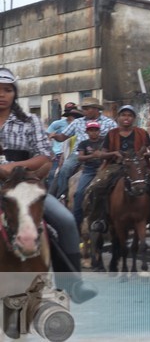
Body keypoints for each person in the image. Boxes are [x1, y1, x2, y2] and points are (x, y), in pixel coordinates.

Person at [0, 67, 96, 303]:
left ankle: (72, 284)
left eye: (7, 90)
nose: (2, 95)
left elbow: (44, 156)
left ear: (15, 94)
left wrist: (11, 168)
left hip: (22, 186)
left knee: (64, 220)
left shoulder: (29, 121)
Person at [83, 105, 150, 233]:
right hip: (116, 166)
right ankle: (98, 219)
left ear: (134, 118)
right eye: (123, 115)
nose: (126, 118)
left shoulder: (142, 133)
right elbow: (101, 154)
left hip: (137, 167)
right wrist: (113, 153)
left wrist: (145, 155)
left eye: (129, 115)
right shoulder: (111, 134)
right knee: (96, 187)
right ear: (118, 118)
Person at [49, 97, 117, 201]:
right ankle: (62, 196)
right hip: (78, 154)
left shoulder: (110, 123)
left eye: (86, 108)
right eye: (83, 108)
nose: (84, 111)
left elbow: (115, 139)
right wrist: (55, 136)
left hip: (102, 155)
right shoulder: (77, 122)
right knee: (65, 169)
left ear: (95, 109)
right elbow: (63, 137)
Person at [71, 121, 104, 231]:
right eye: (91, 130)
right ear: (87, 132)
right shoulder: (83, 144)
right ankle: (77, 221)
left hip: (103, 168)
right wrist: (91, 156)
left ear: (99, 131)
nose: (93, 133)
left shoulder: (104, 142)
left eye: (96, 130)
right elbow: (80, 158)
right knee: (79, 193)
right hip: (89, 170)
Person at [45, 103, 83, 189]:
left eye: (75, 115)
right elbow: (48, 135)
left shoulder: (80, 124)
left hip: (74, 151)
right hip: (59, 152)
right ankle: (57, 195)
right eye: (70, 113)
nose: (72, 116)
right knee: (55, 174)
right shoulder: (57, 124)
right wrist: (53, 137)